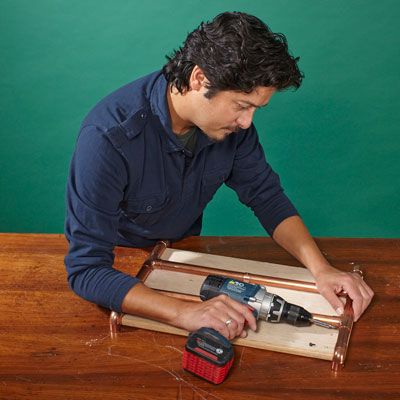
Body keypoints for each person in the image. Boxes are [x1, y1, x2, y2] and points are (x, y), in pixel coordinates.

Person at [64, 12, 373, 340]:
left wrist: (320, 269)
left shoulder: (231, 128)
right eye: (241, 105)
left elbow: (265, 195)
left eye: (256, 109)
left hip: (183, 260)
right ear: (199, 78)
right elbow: (87, 271)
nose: (247, 123)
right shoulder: (108, 137)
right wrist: (185, 313)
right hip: (121, 276)